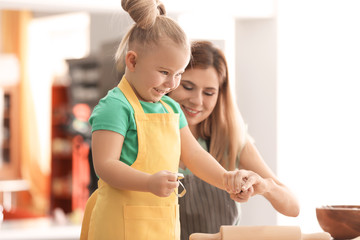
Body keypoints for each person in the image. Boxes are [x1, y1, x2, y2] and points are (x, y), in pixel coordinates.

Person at [80, 1, 253, 240]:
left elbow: (193, 156)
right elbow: (105, 166)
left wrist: (225, 179)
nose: (172, 84)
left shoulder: (170, 108)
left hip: (162, 228)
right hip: (118, 228)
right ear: (132, 61)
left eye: (179, 74)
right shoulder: (115, 107)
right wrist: (149, 182)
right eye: (164, 72)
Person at [167, 41, 300, 240]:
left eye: (209, 93)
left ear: (220, 95)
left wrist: (265, 186)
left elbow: (293, 207)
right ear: (170, 82)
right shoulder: (150, 135)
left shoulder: (232, 141)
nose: (197, 100)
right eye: (188, 87)